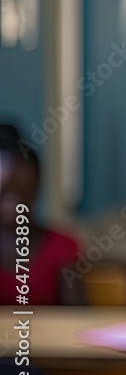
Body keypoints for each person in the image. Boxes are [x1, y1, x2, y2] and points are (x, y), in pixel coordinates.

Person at [0, 124, 81, 306]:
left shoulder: (62, 246)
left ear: (37, 186)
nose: (12, 206)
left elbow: (76, 318)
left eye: (21, 193)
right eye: (4, 195)